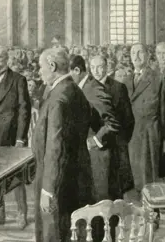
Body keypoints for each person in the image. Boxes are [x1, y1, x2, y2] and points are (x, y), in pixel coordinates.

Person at [32, 48, 93, 242]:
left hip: (57, 182)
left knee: (54, 233)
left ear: (52, 66)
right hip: (74, 177)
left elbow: (55, 147)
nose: (39, 72)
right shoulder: (74, 90)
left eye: (41, 67)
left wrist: (48, 189)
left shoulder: (58, 97)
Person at [0, 45, 31, 229]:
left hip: (10, 138)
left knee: (16, 179)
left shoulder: (18, 80)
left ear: (7, 59)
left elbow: (24, 111)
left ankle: (21, 214)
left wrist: (20, 139)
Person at [69, 55, 120, 202]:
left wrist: (96, 140)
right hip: (87, 154)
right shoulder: (83, 87)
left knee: (100, 199)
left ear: (77, 70)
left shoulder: (94, 88)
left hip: (98, 154)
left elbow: (113, 123)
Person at [90, 55, 135, 199]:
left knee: (114, 191)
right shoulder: (86, 88)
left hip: (114, 148)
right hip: (93, 148)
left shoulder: (118, 87)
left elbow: (128, 120)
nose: (96, 71)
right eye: (93, 67)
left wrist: (120, 143)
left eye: (100, 67)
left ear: (106, 68)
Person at [128, 43, 165, 199]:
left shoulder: (158, 79)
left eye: (140, 53)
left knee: (150, 183)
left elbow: (163, 113)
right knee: (135, 183)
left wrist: (164, 140)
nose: (136, 56)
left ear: (148, 55)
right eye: (133, 53)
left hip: (150, 137)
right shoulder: (126, 80)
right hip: (131, 137)